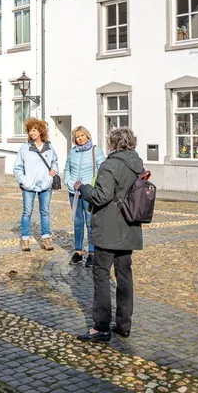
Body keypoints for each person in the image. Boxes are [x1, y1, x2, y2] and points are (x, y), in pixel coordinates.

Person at [75, 127, 144, 342]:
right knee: (124, 276)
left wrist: (83, 188)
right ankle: (124, 324)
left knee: (102, 275)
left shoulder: (110, 164)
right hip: (129, 226)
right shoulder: (138, 165)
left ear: (113, 144)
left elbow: (100, 196)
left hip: (108, 229)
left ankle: (101, 326)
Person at [13, 118, 59, 252]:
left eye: (34, 130)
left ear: (40, 131)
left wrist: (53, 171)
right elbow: (17, 167)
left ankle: (46, 238)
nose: (32, 133)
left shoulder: (49, 147)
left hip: (45, 184)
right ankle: (25, 239)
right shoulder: (25, 148)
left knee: (45, 212)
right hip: (29, 185)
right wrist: (23, 180)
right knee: (27, 212)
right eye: (29, 130)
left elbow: (55, 161)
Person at [64, 126, 106, 267]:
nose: (80, 138)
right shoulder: (72, 152)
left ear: (88, 136)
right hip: (74, 192)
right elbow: (67, 169)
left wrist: (92, 187)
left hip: (89, 192)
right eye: (77, 136)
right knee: (78, 222)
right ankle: (78, 252)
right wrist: (69, 183)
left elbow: (103, 170)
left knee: (90, 222)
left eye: (82, 135)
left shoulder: (96, 150)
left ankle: (92, 252)